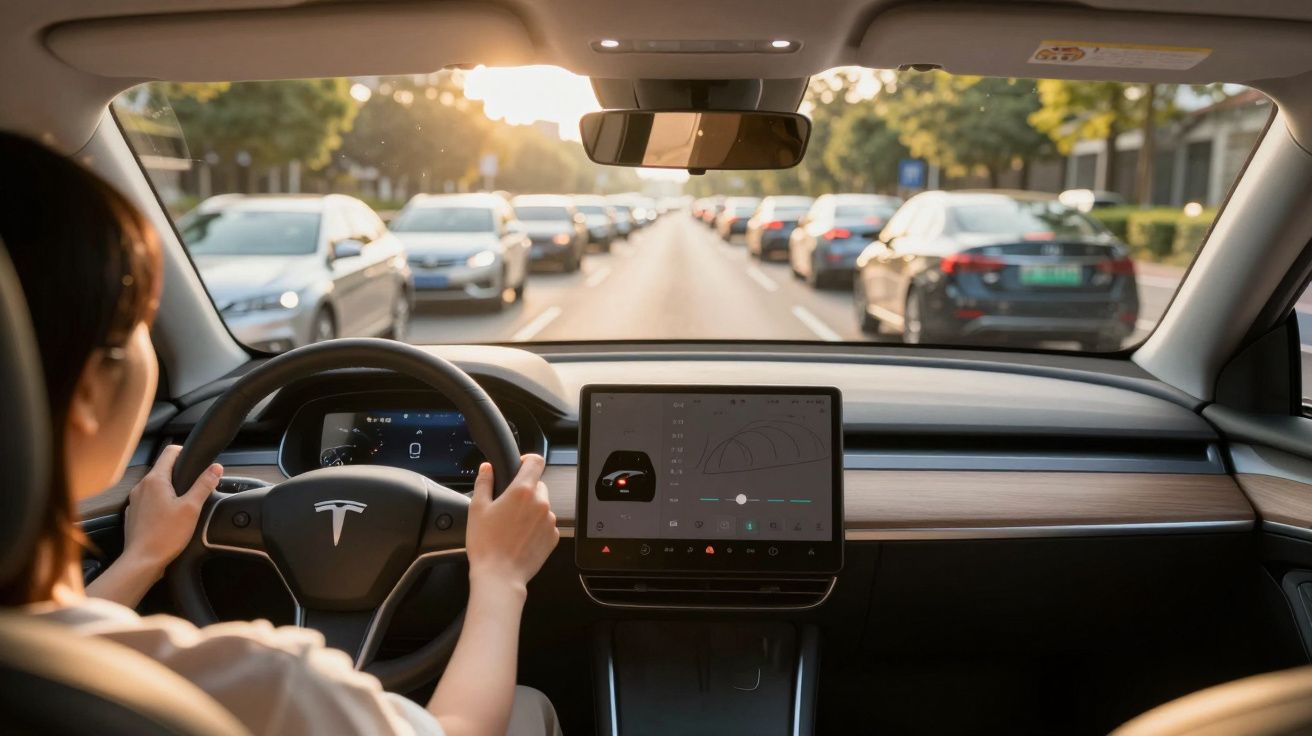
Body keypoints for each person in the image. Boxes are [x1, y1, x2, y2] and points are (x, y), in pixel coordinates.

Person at [0, 130, 562, 736]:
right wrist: (499, 576)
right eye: (142, 325)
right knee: (528, 708)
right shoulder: (261, 688)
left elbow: (57, 644)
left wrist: (143, 557)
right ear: (89, 392)